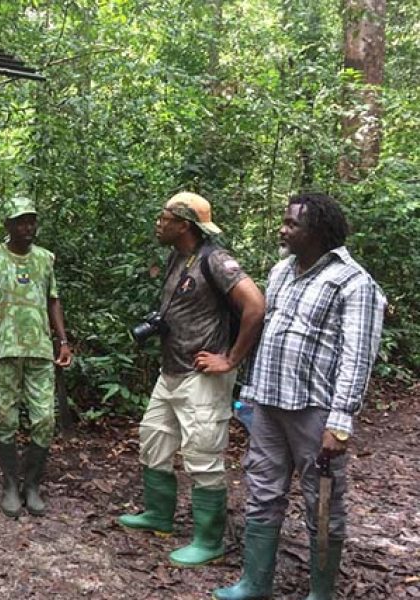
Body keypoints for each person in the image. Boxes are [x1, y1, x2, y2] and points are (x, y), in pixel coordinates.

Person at [213, 193, 385, 600]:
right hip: (269, 403)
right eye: (285, 221)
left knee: (322, 501)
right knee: (263, 490)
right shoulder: (281, 271)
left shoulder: (354, 282)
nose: (283, 229)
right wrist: (250, 398)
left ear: (319, 232)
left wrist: (340, 421)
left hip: (315, 411)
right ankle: (255, 582)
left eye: (292, 224)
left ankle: (320, 592)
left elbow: (357, 356)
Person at [118, 192, 265, 567]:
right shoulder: (178, 257)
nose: (158, 223)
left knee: (202, 453)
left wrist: (230, 359)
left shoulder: (216, 260)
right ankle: (158, 514)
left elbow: (255, 305)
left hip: (202, 375)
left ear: (184, 224)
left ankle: (208, 538)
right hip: (172, 371)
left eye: (164, 218)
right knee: (154, 440)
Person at [0, 196, 73, 517]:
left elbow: (53, 300)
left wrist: (63, 341)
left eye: (31, 220)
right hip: (4, 351)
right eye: (20, 221)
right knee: (4, 421)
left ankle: (32, 484)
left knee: (44, 420)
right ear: (8, 225)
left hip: (39, 351)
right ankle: (10, 483)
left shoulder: (45, 259)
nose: (27, 227)